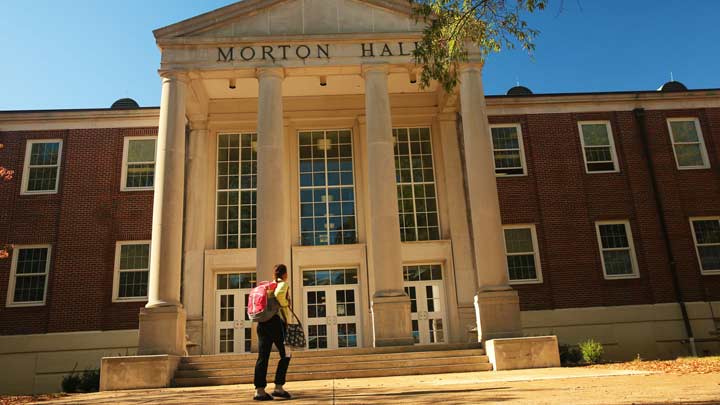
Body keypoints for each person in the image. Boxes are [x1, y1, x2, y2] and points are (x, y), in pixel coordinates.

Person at [253, 264, 292, 401]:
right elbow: (280, 296)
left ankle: (259, 390)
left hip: (262, 323)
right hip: (276, 323)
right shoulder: (282, 285)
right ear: (285, 274)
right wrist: (286, 303)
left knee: (263, 357)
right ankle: (278, 387)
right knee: (286, 354)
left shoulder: (268, 286)